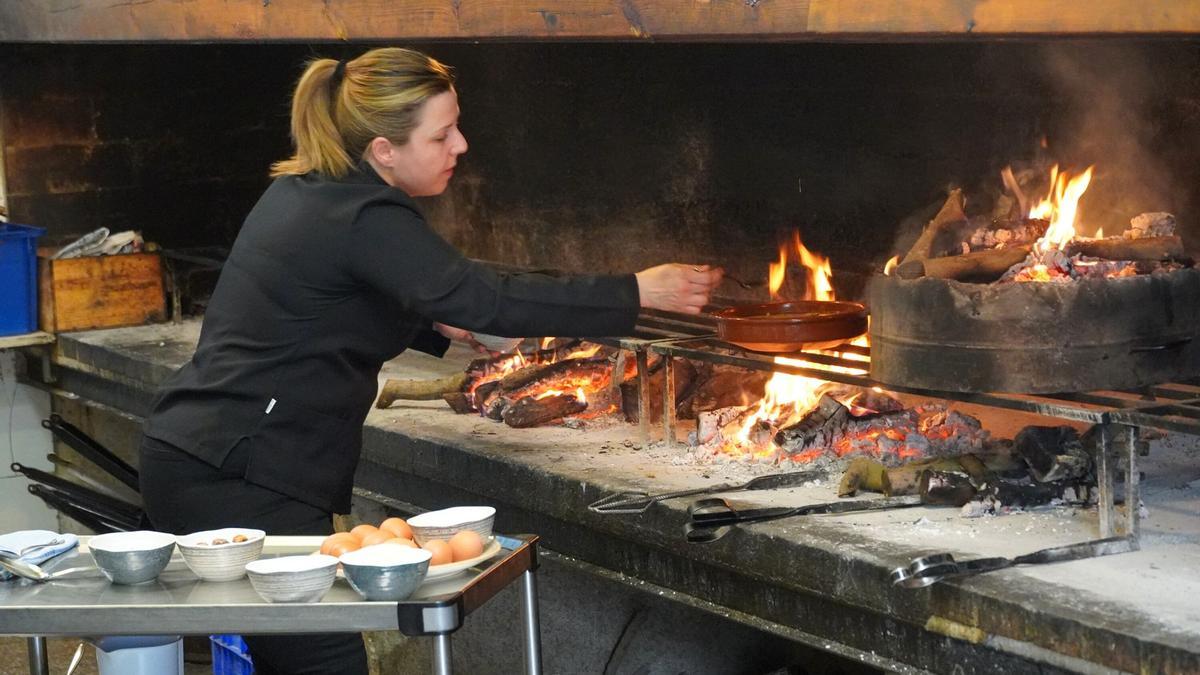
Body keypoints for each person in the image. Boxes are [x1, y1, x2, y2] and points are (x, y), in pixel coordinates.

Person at [137, 46, 721, 674]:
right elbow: (485, 297)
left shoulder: (314, 191)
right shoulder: (364, 214)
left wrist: (432, 319)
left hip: (209, 453)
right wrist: (636, 292)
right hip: (243, 473)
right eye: (442, 134)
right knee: (322, 664)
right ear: (385, 149)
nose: (461, 145)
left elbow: (326, 300)